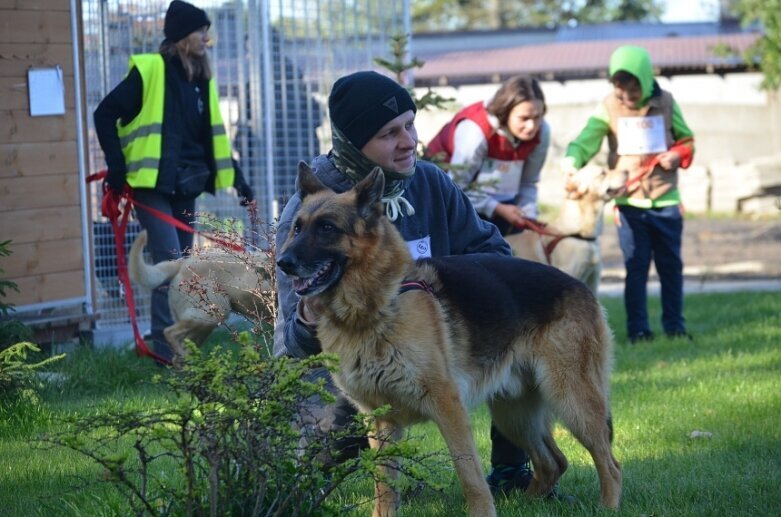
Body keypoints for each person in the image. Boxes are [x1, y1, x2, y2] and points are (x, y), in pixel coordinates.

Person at [273, 71, 550, 496]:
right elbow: (289, 344)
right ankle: (384, 483)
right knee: (332, 445)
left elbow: (493, 253)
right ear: (353, 141)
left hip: (425, 348)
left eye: (409, 124)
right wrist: (310, 315)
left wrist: (437, 287)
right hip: (343, 373)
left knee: (507, 344)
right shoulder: (310, 211)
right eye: (389, 133)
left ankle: (512, 473)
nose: (409, 141)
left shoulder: (429, 182)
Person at [94, 0, 255, 363]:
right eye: (201, 30)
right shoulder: (150, 70)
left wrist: (239, 181)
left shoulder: (201, 80)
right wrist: (116, 167)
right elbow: (104, 113)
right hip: (151, 185)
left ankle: (183, 349)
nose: (206, 38)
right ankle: (163, 352)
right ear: (182, 35)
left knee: (184, 267)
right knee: (168, 262)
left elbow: (213, 138)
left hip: (187, 183)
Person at [562, 45, 695, 344]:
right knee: (635, 267)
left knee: (671, 267)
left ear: (646, 80)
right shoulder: (608, 107)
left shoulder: (668, 103)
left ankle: (675, 327)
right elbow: (586, 141)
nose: (626, 97)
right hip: (628, 202)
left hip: (666, 200)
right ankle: (638, 330)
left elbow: (687, 140)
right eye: (620, 91)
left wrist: (677, 154)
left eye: (633, 90)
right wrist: (571, 162)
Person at [426, 75, 550, 235]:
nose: (531, 126)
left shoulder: (542, 131)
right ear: (506, 112)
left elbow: (528, 182)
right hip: (447, 198)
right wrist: (497, 208)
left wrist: (529, 217)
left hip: (501, 200)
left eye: (537, 117)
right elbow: (456, 189)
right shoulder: (475, 131)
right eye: (524, 118)